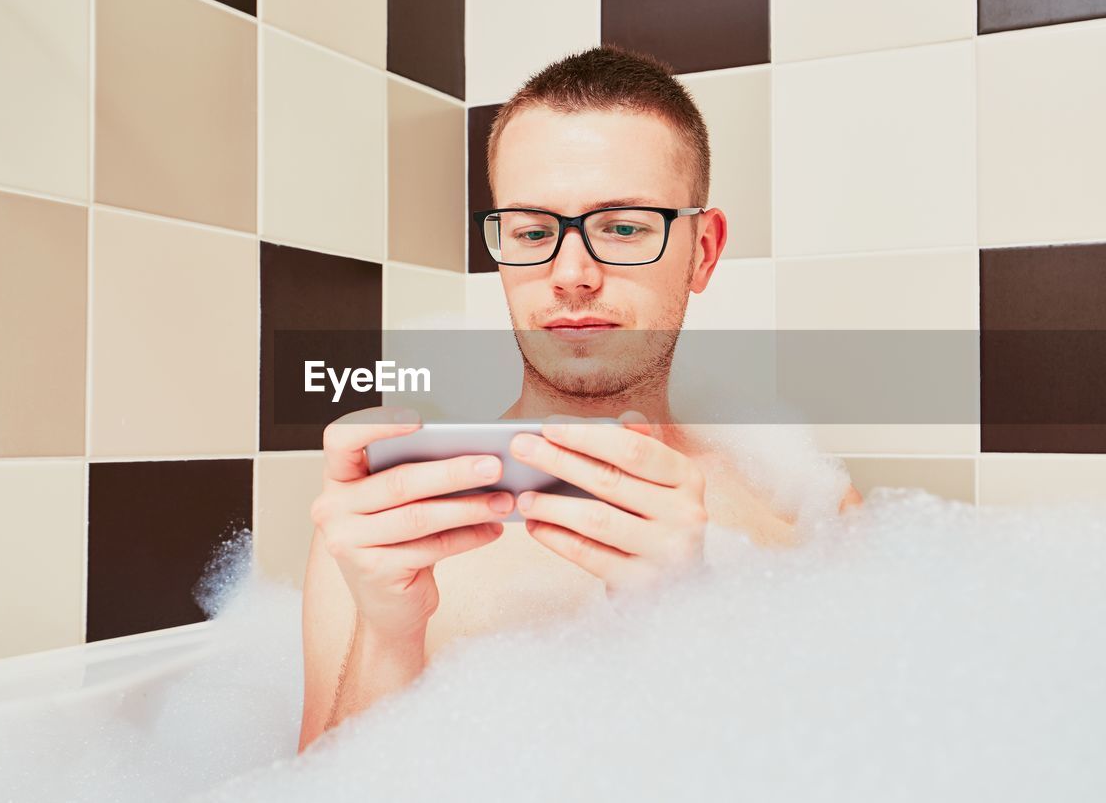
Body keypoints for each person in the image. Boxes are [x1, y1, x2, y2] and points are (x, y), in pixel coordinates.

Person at [297, 44, 863, 752]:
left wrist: (684, 625)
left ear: (704, 251)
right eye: (533, 231)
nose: (571, 274)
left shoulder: (801, 504)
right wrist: (387, 636)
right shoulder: (395, 518)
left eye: (623, 227)